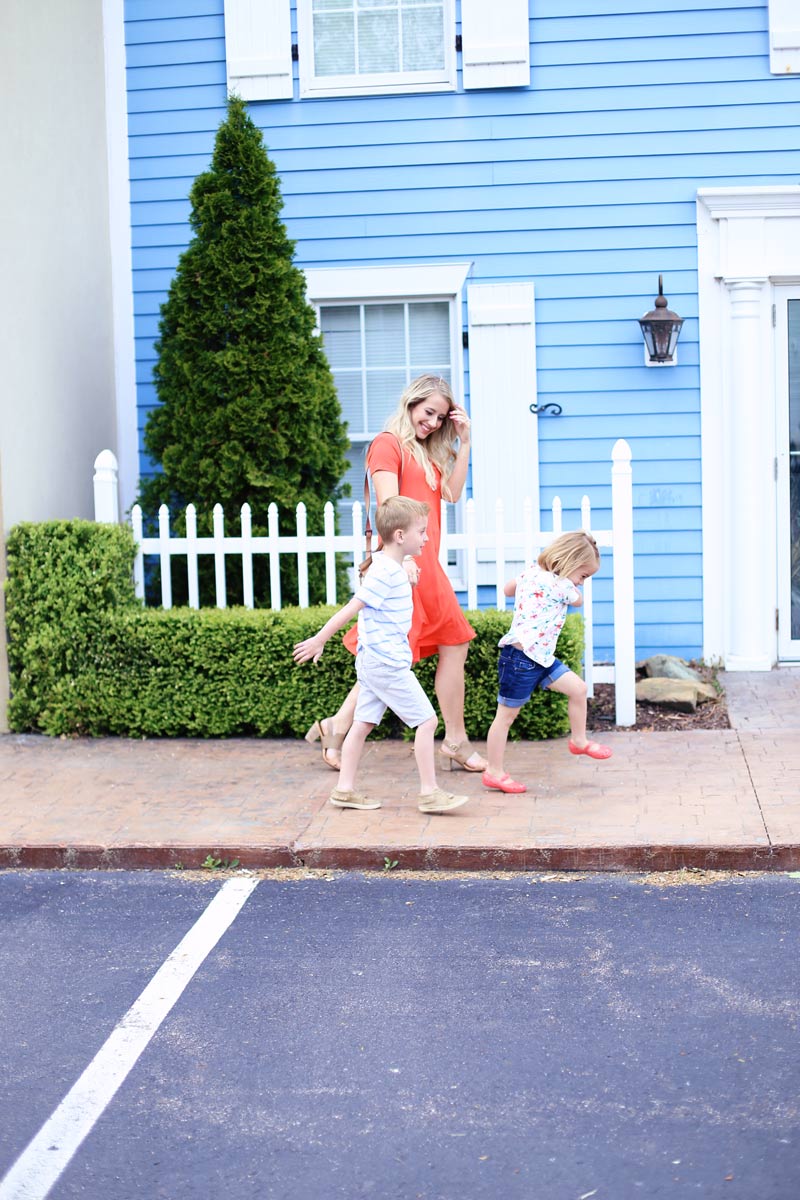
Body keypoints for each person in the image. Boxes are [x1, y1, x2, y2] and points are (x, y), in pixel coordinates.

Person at [304, 374, 487, 774]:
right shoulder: (388, 445)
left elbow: (452, 494)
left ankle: (336, 725)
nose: (434, 423)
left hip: (426, 567)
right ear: (410, 403)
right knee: (430, 647)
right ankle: (454, 739)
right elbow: (389, 506)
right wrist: (402, 561)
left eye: (441, 417)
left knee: (418, 650)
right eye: (428, 413)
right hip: (405, 567)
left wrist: (464, 443)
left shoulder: (429, 451)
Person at [293, 497, 470, 815]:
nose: (426, 538)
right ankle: (429, 792)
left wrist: (406, 571)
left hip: (376, 661)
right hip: (386, 663)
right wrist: (319, 640)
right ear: (400, 535)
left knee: (361, 725)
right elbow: (352, 608)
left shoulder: (389, 566)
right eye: (421, 532)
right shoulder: (384, 572)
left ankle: (344, 790)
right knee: (427, 721)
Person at [482, 530, 613, 795]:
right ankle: (493, 772)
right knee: (505, 718)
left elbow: (508, 590)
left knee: (578, 689)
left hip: (540, 658)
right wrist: (570, 584)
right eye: (583, 576)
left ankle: (578, 741)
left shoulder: (531, 573)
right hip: (521, 660)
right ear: (569, 562)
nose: (582, 583)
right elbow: (578, 600)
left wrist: (525, 582)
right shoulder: (564, 585)